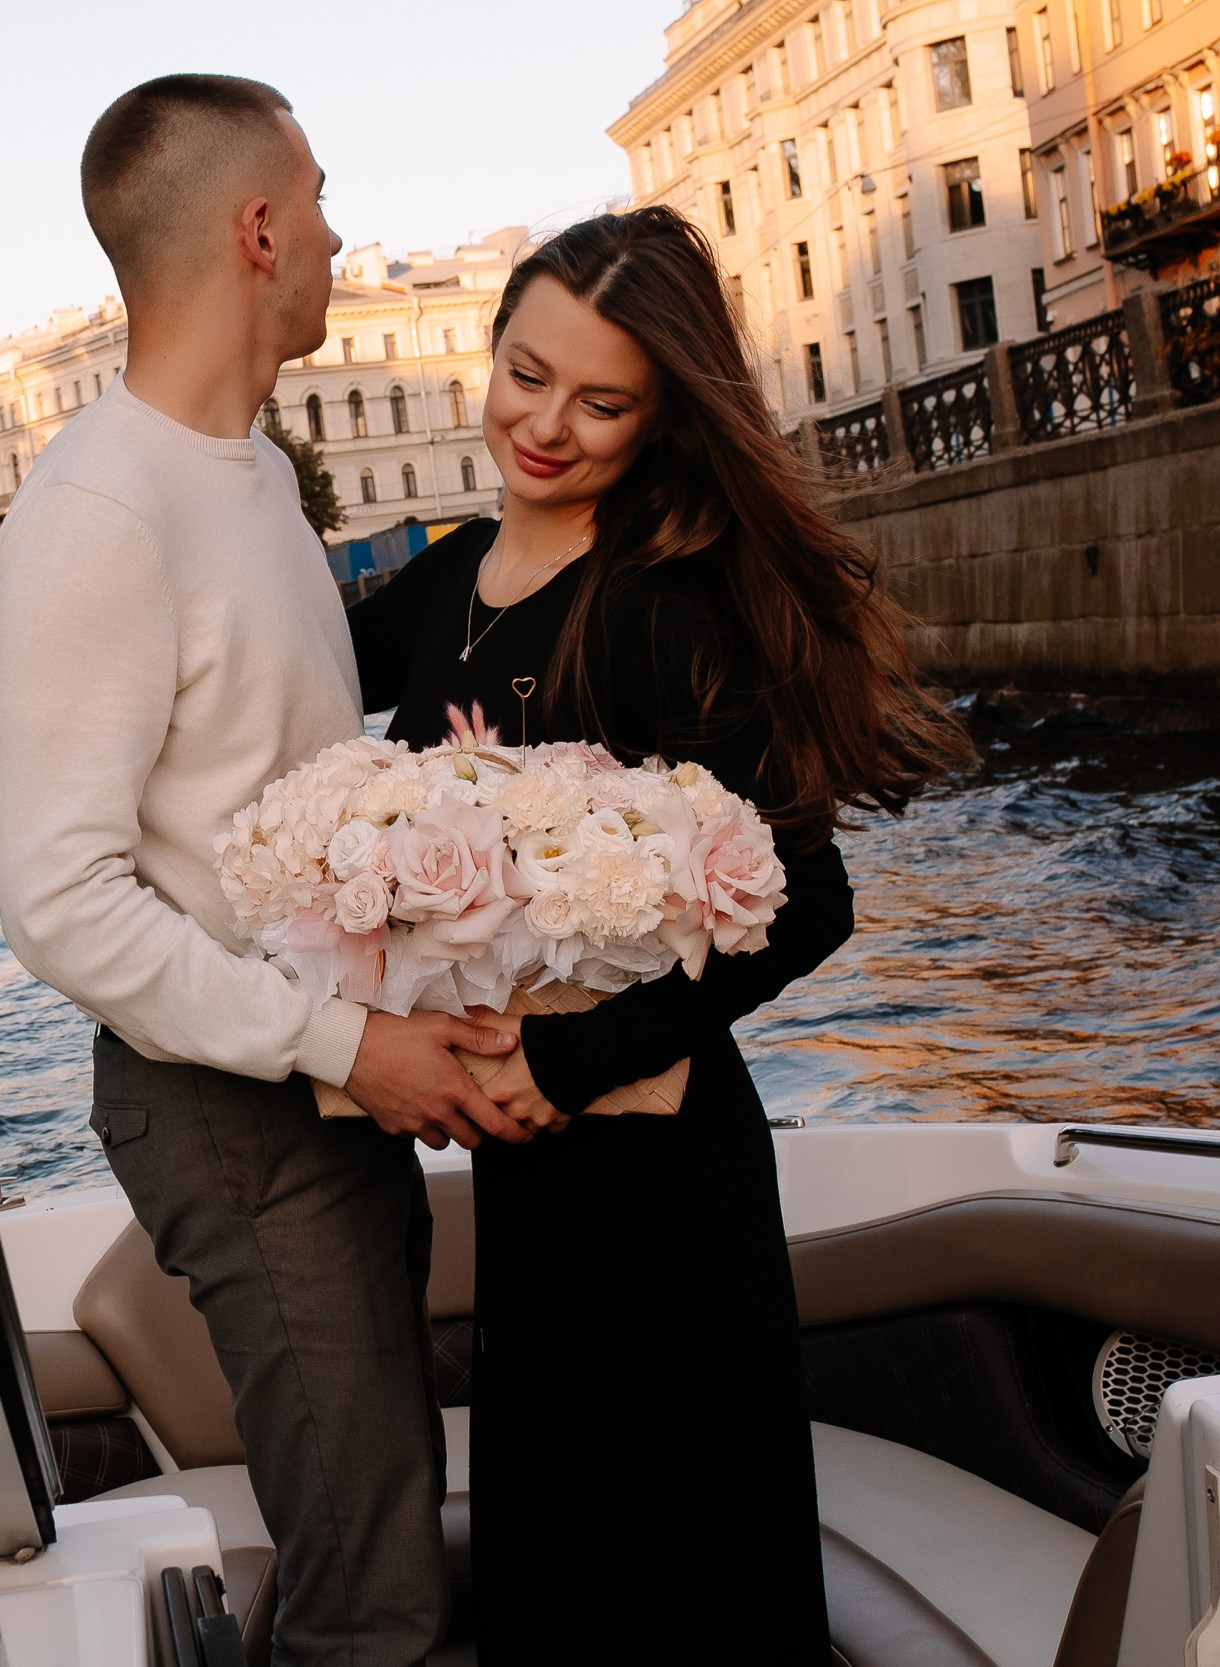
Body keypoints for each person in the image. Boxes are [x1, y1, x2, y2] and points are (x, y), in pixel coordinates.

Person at [347, 207, 969, 1664]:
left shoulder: (661, 602)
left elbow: (809, 903)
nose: (546, 425)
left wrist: (562, 1072)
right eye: (523, 372)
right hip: (531, 1177)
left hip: (660, 1177)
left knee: (680, 1588)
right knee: (562, 1574)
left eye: (602, 401)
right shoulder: (443, 583)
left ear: (664, 413)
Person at [0, 75, 525, 1666]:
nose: (343, 234)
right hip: (244, 1113)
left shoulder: (252, 480)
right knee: (373, 1603)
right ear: (260, 229)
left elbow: (282, 800)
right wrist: (352, 1046)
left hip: (309, 1086)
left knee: (379, 1533)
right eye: (323, 196)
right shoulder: (101, 508)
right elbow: (60, 899)